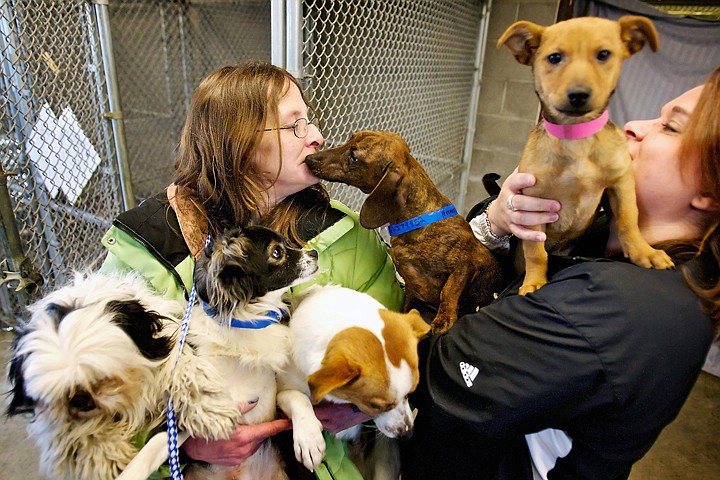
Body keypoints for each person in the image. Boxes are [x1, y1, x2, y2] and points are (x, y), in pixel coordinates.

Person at [399, 65, 720, 480]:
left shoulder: (622, 308)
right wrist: (497, 221)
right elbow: (500, 276)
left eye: (671, 128)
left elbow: (437, 365)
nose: (635, 126)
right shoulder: (613, 234)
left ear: (710, 191)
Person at [99, 61, 404, 478]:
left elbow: (400, 338)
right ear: (238, 142)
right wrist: (185, 446)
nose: (316, 137)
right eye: (294, 125)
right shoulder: (151, 246)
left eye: (309, 120)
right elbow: (90, 412)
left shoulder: (343, 232)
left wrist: (356, 408)